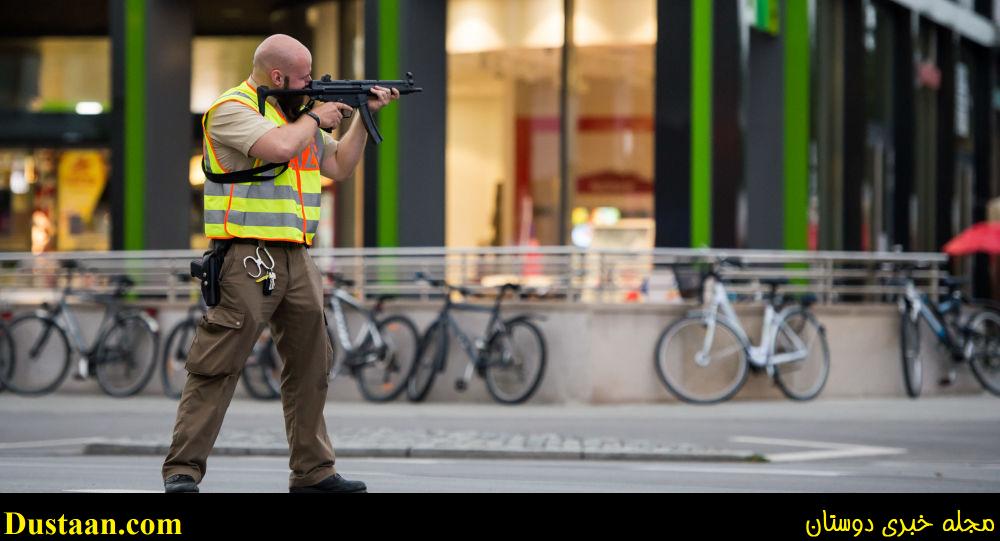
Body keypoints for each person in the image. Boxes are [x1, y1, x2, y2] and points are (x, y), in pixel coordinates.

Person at [161, 34, 400, 494]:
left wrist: (363, 116)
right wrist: (316, 115)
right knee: (218, 363)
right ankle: (183, 470)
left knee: (312, 364)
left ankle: (314, 473)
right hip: (246, 255)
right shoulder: (232, 109)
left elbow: (340, 168)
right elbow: (277, 149)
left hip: (296, 255)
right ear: (277, 77)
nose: (311, 84)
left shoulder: (297, 117)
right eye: (304, 77)